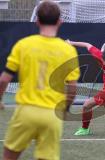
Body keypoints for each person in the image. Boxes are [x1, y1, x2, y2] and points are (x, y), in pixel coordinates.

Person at [0, 1, 80, 160]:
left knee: (9, 156)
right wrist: (65, 109)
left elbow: (4, 79)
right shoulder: (68, 50)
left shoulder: (23, 45)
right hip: (51, 114)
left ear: (37, 21)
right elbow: (72, 88)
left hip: (26, 112)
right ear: (59, 21)